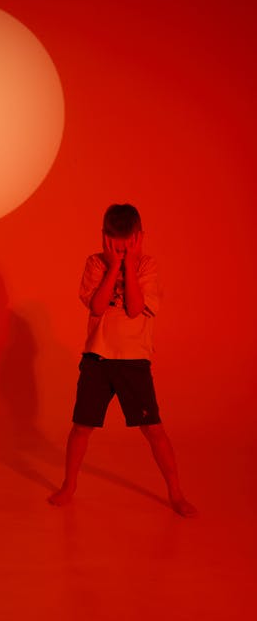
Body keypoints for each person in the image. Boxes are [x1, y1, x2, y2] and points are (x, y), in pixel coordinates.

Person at [49, 204, 197, 517]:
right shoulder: (94, 263)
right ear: (104, 238)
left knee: (154, 429)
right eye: (114, 244)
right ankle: (69, 486)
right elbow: (98, 306)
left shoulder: (147, 266)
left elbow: (133, 308)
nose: (120, 249)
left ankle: (176, 493)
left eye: (127, 243)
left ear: (139, 238)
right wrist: (114, 266)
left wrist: (129, 264)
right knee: (81, 427)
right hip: (97, 359)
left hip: (134, 362)